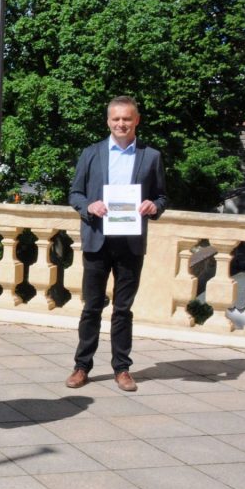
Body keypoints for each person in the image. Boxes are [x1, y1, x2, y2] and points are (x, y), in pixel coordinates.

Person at [67, 95, 167, 392]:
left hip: (131, 244)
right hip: (98, 241)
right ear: (108, 121)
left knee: (123, 309)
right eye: (115, 119)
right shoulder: (92, 153)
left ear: (136, 120)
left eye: (126, 118)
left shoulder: (151, 157)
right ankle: (82, 366)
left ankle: (122, 369)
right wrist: (90, 207)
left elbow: (162, 197)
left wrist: (154, 206)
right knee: (92, 307)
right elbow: (74, 194)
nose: (121, 123)